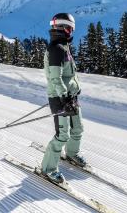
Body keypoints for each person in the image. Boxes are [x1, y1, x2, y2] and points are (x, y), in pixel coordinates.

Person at [40, 13, 86, 184]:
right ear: (65, 27)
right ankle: (48, 169)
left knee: (78, 129)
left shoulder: (63, 46)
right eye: (71, 28)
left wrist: (75, 89)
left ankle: (72, 154)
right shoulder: (56, 49)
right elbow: (55, 78)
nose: (71, 31)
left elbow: (68, 74)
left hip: (69, 96)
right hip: (60, 98)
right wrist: (64, 96)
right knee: (62, 135)